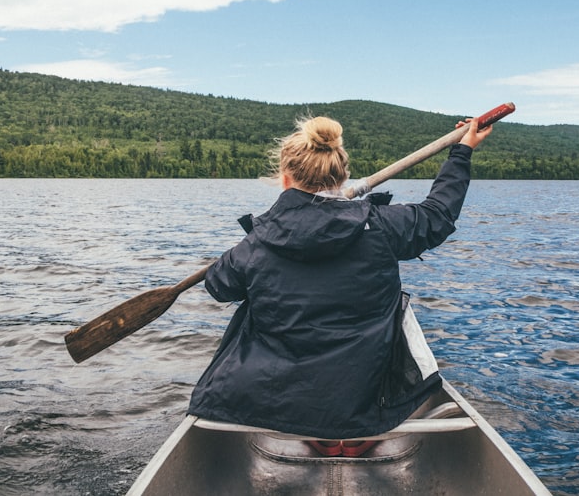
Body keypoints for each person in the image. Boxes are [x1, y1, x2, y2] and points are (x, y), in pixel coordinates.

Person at [187, 114, 492, 453]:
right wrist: (462, 151)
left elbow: (218, 286)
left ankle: (316, 433)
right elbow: (438, 214)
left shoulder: (257, 244)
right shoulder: (382, 227)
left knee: (253, 305)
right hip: (369, 398)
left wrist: (252, 248)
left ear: (285, 179)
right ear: (343, 175)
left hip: (279, 401)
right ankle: (351, 435)